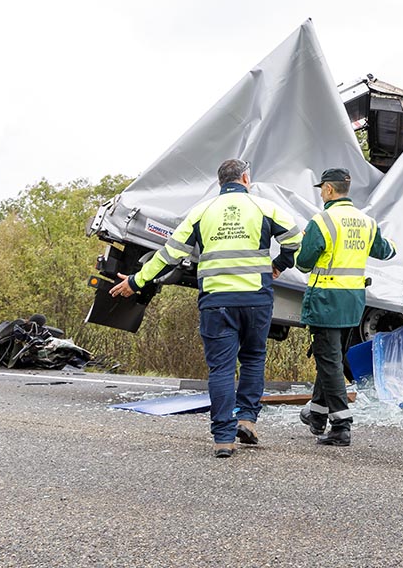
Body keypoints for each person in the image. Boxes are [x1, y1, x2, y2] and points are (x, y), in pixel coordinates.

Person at [109, 159, 303, 458]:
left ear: (220, 182)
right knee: (253, 359)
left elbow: (169, 255)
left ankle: (223, 439)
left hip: (217, 302)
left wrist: (136, 282)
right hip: (255, 299)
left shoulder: (201, 212)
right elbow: (295, 239)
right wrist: (279, 264)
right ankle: (247, 420)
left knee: (222, 369)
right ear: (245, 179)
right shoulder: (265, 208)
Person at [297, 167, 396, 446]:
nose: (321, 194)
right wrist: (395, 244)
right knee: (332, 359)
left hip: (326, 302)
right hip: (352, 302)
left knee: (328, 361)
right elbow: (385, 251)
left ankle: (341, 425)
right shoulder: (366, 222)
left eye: (321, 189)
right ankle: (316, 414)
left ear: (328, 189)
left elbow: (303, 262)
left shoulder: (322, 221)